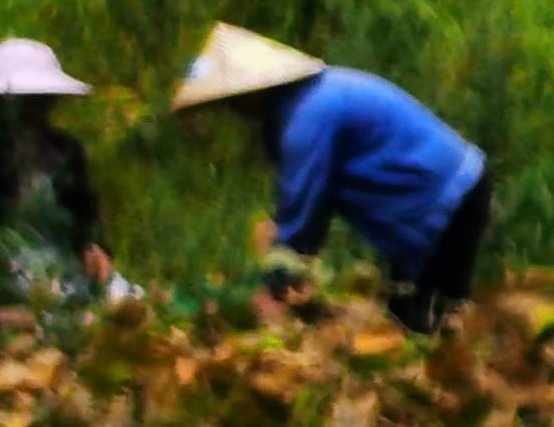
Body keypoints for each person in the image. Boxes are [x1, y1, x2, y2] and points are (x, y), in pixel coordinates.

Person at [167, 26, 493, 321]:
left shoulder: (306, 116)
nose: (234, 112)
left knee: (432, 318)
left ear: (250, 93)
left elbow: (303, 205)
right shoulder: (315, 98)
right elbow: (313, 209)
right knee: (417, 310)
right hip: (455, 187)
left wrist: (276, 278)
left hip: (446, 196)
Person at [0, 38, 111, 307]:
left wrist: (94, 246)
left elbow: (85, 214)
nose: (39, 110)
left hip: (62, 276)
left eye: (44, 100)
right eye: (30, 102)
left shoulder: (65, 150)